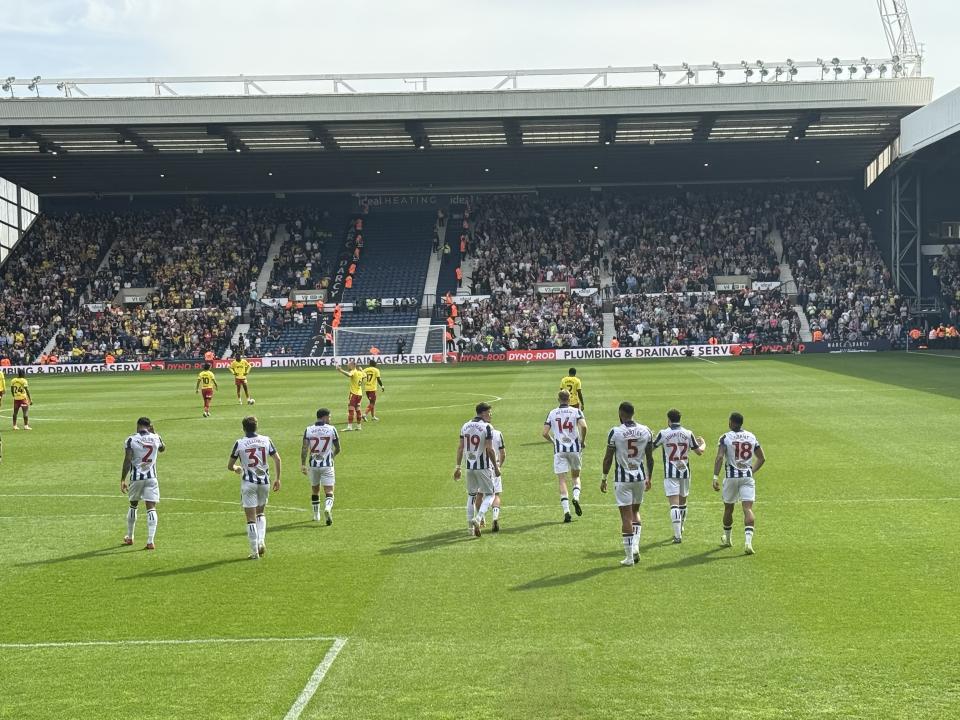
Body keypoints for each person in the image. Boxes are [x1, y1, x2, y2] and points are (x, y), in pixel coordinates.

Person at [601, 401, 654, 566]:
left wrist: (604, 478)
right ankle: (636, 546)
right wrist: (649, 477)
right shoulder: (646, 431)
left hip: (622, 480)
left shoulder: (615, 432)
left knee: (625, 516)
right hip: (639, 478)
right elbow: (650, 458)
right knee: (636, 511)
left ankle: (630, 557)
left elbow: (608, 457)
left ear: (620, 413)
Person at [228, 416, 282, 560]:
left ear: (243, 428)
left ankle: (254, 551)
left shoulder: (240, 443)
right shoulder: (266, 440)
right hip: (264, 482)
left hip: (248, 483)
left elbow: (230, 465)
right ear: (256, 427)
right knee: (261, 513)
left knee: (250, 518)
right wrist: (277, 479)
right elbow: (277, 459)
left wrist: (236, 468)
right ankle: (261, 541)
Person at [713, 412, 766, 555]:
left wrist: (715, 477)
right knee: (747, 508)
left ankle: (728, 539)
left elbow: (719, 457)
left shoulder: (725, 437)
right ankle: (748, 542)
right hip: (747, 478)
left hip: (731, 477)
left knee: (728, 509)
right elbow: (761, 458)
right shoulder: (751, 436)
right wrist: (750, 471)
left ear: (731, 422)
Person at [652, 408, 705, 543]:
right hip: (685, 472)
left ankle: (677, 535)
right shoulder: (688, 433)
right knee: (683, 503)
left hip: (671, 473)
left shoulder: (663, 433)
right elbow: (699, 452)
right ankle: (681, 527)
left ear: (668, 420)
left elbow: (650, 448)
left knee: (674, 505)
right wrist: (703, 444)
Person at [453, 402, 500, 537]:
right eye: (490, 412)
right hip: (483, 466)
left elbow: (460, 447)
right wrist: (496, 468)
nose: (491, 415)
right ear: (484, 413)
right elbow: (490, 449)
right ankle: (478, 518)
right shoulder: (487, 427)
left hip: (469, 466)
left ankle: (470, 528)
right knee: (490, 494)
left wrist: (458, 467)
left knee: (471, 496)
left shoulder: (465, 425)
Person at [542, 390, 588, 523]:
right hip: (574, 449)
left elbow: (544, 433)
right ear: (569, 399)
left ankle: (566, 511)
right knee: (576, 476)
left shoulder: (552, 412)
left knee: (562, 480)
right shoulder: (576, 411)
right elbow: (584, 427)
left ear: (558, 399)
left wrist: (553, 442)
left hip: (559, 450)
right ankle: (576, 497)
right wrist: (582, 441)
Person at [120, 417, 165, 550]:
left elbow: (127, 460)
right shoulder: (156, 437)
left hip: (136, 478)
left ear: (138, 425)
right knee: (151, 507)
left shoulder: (131, 439)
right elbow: (163, 449)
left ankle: (130, 536)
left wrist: (123, 479)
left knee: (133, 505)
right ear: (149, 426)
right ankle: (150, 541)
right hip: (152, 478)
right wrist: (154, 432)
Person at [301, 408, 340, 524]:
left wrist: (303, 464)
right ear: (324, 417)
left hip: (313, 465)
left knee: (315, 489)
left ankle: (316, 515)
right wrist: (331, 456)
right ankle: (327, 509)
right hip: (327, 465)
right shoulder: (331, 429)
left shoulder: (308, 430)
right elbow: (338, 448)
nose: (330, 419)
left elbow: (304, 448)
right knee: (329, 491)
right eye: (329, 417)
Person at [473, 423, 506, 532]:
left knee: (480, 494)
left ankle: (481, 519)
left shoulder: (477, 433)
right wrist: (498, 467)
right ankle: (495, 518)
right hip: (494, 466)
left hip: (481, 467)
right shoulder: (498, 433)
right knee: (495, 494)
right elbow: (503, 453)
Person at [337, 361, 365, 431]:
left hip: (354, 394)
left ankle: (349, 427)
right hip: (360, 394)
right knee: (358, 409)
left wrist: (340, 370)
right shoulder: (360, 372)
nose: (347, 366)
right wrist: (362, 370)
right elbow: (365, 376)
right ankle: (359, 426)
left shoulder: (354, 371)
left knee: (351, 410)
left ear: (352, 365)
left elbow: (349, 375)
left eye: (348, 365)